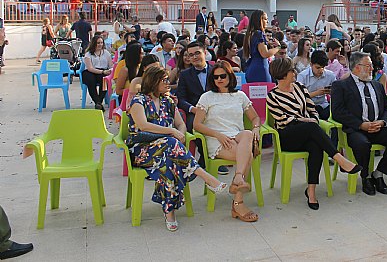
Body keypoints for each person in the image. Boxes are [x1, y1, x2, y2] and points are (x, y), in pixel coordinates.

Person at [127, 65, 227, 231]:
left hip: (169, 150)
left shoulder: (168, 101)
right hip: (143, 150)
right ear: (153, 81)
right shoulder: (139, 101)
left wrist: (179, 134)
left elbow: (181, 124)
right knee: (171, 146)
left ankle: (169, 212)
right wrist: (172, 132)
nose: (169, 83)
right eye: (165, 80)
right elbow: (143, 126)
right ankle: (205, 176)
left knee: (169, 163)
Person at [266, 57, 362, 209]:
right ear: (283, 74)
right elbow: (283, 119)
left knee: (315, 145)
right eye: (291, 70)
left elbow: (312, 109)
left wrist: (313, 119)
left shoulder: (299, 88)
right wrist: (305, 120)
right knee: (310, 127)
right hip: (287, 136)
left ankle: (311, 191)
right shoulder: (272, 96)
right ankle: (339, 159)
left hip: (307, 132)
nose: (295, 72)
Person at [331, 52, 387, 196]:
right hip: (357, 129)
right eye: (368, 65)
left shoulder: (377, 85)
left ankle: (379, 173)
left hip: (378, 127)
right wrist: (360, 125)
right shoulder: (341, 86)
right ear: (357, 67)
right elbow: (338, 112)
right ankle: (365, 176)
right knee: (362, 144)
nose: (372, 68)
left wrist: (383, 122)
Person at [193, 60, 261, 222]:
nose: (219, 79)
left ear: (230, 76)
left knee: (247, 133)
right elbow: (196, 125)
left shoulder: (240, 96)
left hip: (237, 137)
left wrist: (256, 127)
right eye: (216, 77)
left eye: (223, 76)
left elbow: (255, 117)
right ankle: (238, 202)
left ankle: (238, 179)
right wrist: (218, 135)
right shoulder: (207, 97)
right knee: (248, 156)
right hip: (218, 140)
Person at [296, 50, 336, 120]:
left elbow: (337, 93)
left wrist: (331, 92)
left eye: (323, 67)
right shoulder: (302, 76)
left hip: (324, 105)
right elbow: (299, 97)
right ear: (311, 65)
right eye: (318, 67)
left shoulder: (330, 75)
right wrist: (316, 93)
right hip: (307, 106)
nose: (321, 70)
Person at [243, 10, 279, 83]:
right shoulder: (258, 33)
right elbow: (265, 54)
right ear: (260, 20)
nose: (267, 22)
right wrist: (278, 47)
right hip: (260, 68)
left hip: (253, 66)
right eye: (265, 19)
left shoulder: (251, 34)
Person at [82, 35, 113, 110]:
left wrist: (109, 71)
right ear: (94, 43)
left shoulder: (106, 53)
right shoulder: (88, 54)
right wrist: (102, 71)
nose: (100, 44)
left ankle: (98, 102)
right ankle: (98, 102)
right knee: (90, 81)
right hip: (90, 71)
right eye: (98, 43)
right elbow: (90, 68)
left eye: (101, 43)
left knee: (104, 81)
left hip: (103, 71)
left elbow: (111, 65)